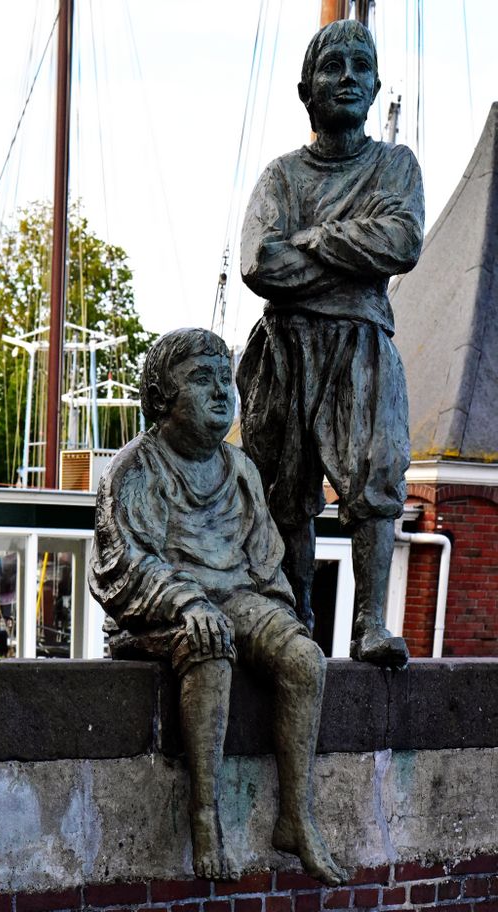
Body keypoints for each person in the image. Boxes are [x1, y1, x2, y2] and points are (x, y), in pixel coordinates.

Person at [90, 329, 345, 886]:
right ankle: (205, 815)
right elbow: (122, 563)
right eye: (200, 380)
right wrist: (185, 600)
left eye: (223, 379)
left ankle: (295, 816)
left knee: (304, 659)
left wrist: (276, 619)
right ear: (160, 396)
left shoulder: (243, 471)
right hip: (165, 611)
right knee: (210, 644)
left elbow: (264, 561)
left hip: (237, 597)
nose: (220, 392)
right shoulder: (134, 470)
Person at [237, 19, 424, 667]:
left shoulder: (394, 165)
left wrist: (312, 243)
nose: (347, 76)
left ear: (375, 87)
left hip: (361, 348)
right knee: (286, 492)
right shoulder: (283, 178)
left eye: (361, 66)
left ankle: (371, 621)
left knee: (374, 477)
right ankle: (293, 620)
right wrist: (351, 251)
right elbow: (261, 264)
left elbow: (401, 241)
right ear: (305, 89)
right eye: (333, 65)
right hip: (286, 351)